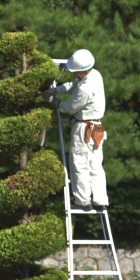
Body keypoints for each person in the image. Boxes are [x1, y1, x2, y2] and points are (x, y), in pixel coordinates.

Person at [44, 49, 108, 211]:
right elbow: (73, 85)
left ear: (82, 71)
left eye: (75, 71)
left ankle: (82, 201)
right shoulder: (95, 75)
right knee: (95, 165)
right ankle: (100, 200)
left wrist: (55, 101)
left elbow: (70, 107)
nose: (73, 74)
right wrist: (56, 90)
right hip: (97, 128)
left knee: (79, 164)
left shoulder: (85, 89)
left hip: (83, 128)